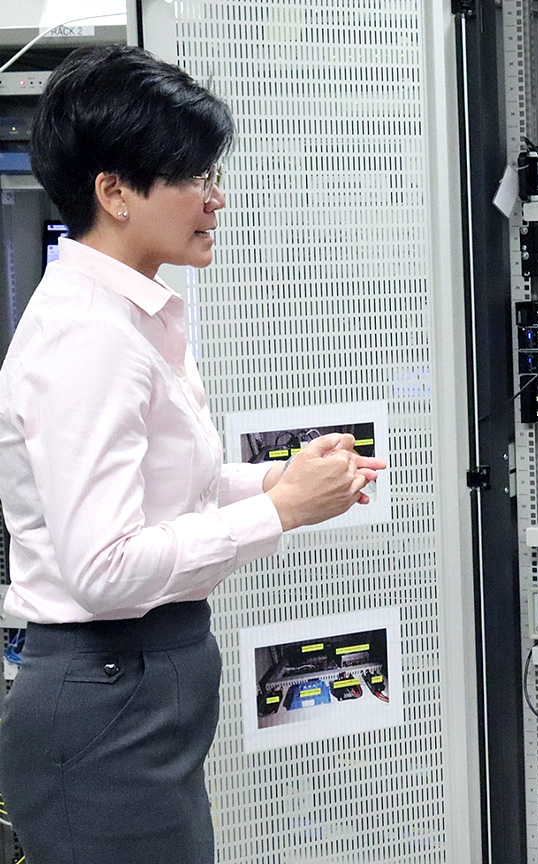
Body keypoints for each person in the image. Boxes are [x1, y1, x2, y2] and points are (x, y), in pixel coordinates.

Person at [0, 45, 385, 864]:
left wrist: (281, 479)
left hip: (137, 685)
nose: (216, 199)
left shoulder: (131, 318)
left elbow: (166, 489)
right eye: (194, 177)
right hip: (107, 694)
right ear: (115, 192)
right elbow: (104, 568)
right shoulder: (91, 338)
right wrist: (278, 511)